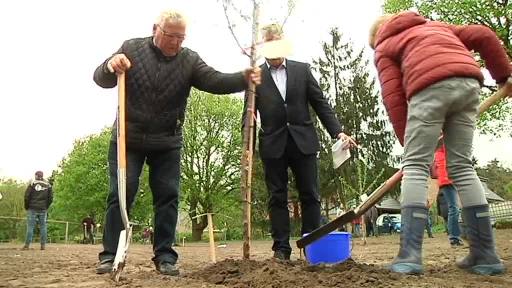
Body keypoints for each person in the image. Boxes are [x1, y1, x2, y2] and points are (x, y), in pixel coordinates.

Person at [93, 9, 261, 275]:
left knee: (168, 196)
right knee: (121, 195)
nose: (176, 43)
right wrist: (110, 64)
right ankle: (109, 254)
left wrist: (244, 77)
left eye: (181, 38)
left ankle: (165, 256)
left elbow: (215, 80)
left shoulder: (189, 60)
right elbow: (100, 79)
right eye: (171, 36)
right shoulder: (131, 49)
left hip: (167, 140)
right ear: (155, 29)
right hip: (129, 138)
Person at [369, 11, 512, 275]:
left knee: (414, 166)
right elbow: (483, 34)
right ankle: (485, 254)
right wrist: (503, 76)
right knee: (462, 166)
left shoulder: (385, 46)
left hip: (428, 86)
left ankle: (409, 256)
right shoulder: (438, 26)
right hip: (469, 82)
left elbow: (394, 98)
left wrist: (408, 144)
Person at [247, 23, 356, 261]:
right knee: (277, 196)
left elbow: (321, 104)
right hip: (272, 144)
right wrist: (247, 146)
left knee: (310, 194)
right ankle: (281, 249)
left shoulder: (302, 70)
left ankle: (312, 246)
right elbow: (248, 115)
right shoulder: (255, 76)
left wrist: (338, 132)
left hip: (303, 142)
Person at [434, 144, 464, 246]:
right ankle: (454, 237)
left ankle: (456, 235)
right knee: (454, 209)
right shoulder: (442, 147)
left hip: (448, 180)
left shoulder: (442, 149)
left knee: (455, 209)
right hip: (448, 180)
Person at [23, 171, 53, 250]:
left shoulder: (32, 183)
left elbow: (26, 196)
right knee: (43, 227)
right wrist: (46, 206)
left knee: (30, 227)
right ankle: (43, 246)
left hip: (32, 208)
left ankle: (27, 245)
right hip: (43, 208)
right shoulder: (48, 185)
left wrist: (27, 206)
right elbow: (51, 198)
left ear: (36, 175)